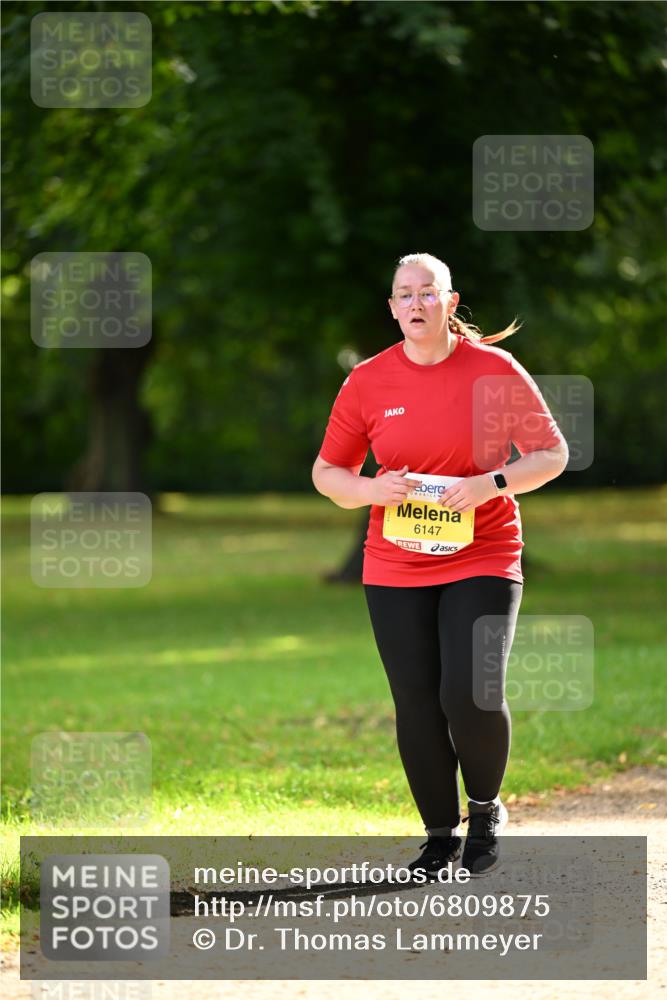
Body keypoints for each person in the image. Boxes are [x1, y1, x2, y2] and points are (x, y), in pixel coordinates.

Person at [312, 252, 569, 877]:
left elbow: (551, 454)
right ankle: (438, 835)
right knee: (418, 702)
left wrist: (492, 482)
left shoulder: (494, 371)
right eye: (405, 295)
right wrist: (371, 490)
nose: (417, 304)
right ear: (394, 308)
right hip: (396, 562)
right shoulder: (368, 381)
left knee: (470, 692)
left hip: (483, 553)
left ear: (451, 303)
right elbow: (328, 473)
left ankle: (484, 812)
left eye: (429, 293)